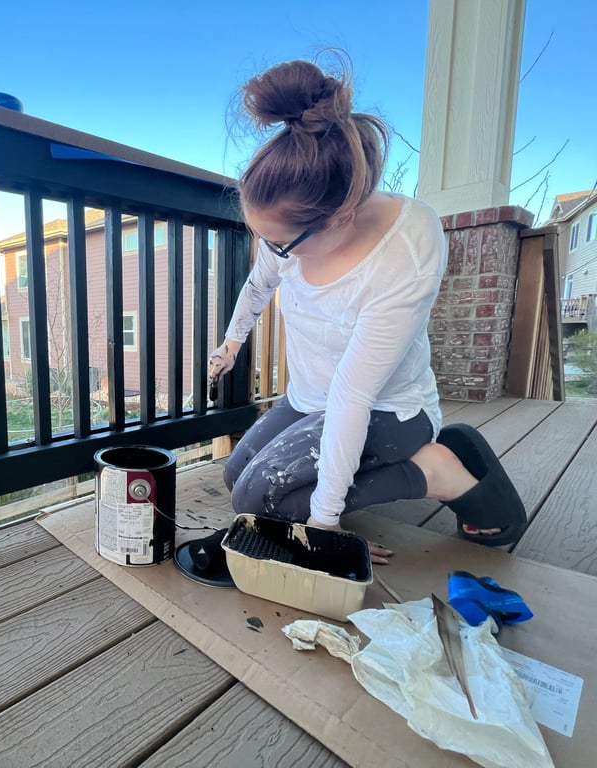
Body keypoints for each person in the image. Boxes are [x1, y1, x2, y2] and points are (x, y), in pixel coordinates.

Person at [208, 55, 527, 564]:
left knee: (257, 499)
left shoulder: (404, 251)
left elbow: (354, 396)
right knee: (234, 477)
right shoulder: (291, 231)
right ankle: (435, 457)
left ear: (340, 218)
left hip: (387, 409)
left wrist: (327, 525)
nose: (271, 252)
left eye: (279, 244)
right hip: (311, 399)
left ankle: (435, 471)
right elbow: (257, 284)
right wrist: (231, 342)